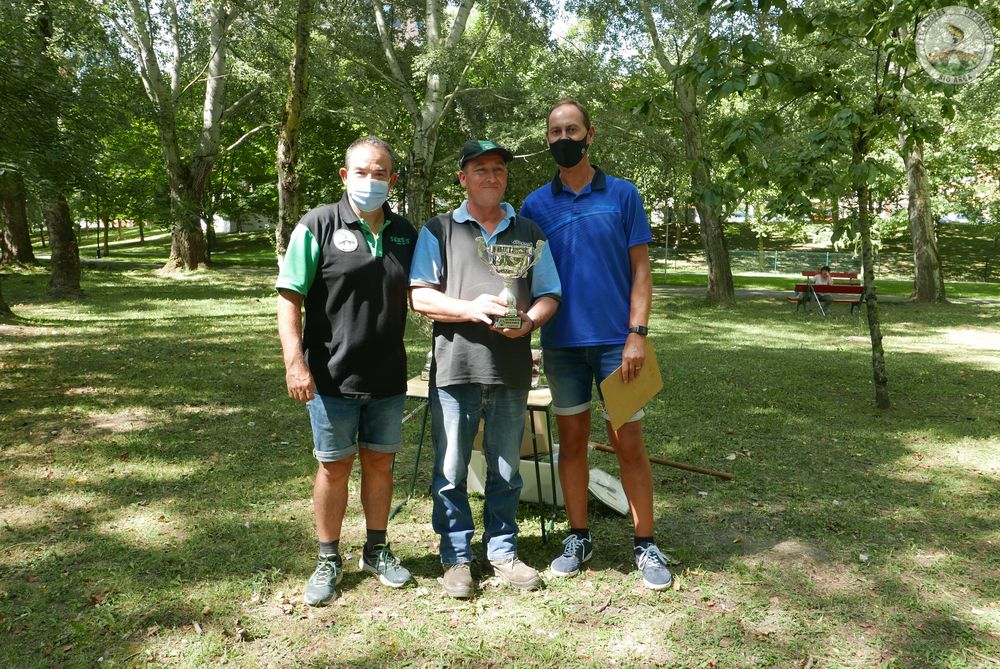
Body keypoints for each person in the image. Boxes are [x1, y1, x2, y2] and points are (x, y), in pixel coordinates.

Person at [520, 99, 673, 591]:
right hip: (561, 345)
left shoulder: (623, 194)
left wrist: (637, 335)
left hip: (616, 345)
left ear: (590, 134)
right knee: (572, 444)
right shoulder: (533, 205)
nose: (563, 138)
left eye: (572, 129)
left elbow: (641, 270)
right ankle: (579, 536)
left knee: (629, 443)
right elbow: (521, 278)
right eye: (555, 131)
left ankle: (644, 542)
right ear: (547, 139)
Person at [410, 140, 561, 598]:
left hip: (511, 369)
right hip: (454, 367)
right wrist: (471, 308)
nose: (491, 176)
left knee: (507, 468)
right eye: (480, 169)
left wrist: (529, 322)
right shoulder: (438, 230)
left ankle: (503, 551)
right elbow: (420, 296)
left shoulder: (529, 232)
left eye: (498, 169)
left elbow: (549, 293)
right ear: (463, 178)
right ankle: (456, 556)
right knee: (450, 469)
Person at [276, 136, 418, 606]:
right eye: (361, 171)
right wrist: (295, 363)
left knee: (380, 463)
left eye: (380, 173)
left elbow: (424, 293)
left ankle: (376, 550)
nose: (370, 180)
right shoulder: (317, 224)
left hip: (388, 376)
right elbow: (289, 298)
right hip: (331, 376)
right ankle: (328, 558)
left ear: (391, 180)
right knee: (334, 467)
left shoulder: (405, 233)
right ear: (344, 175)